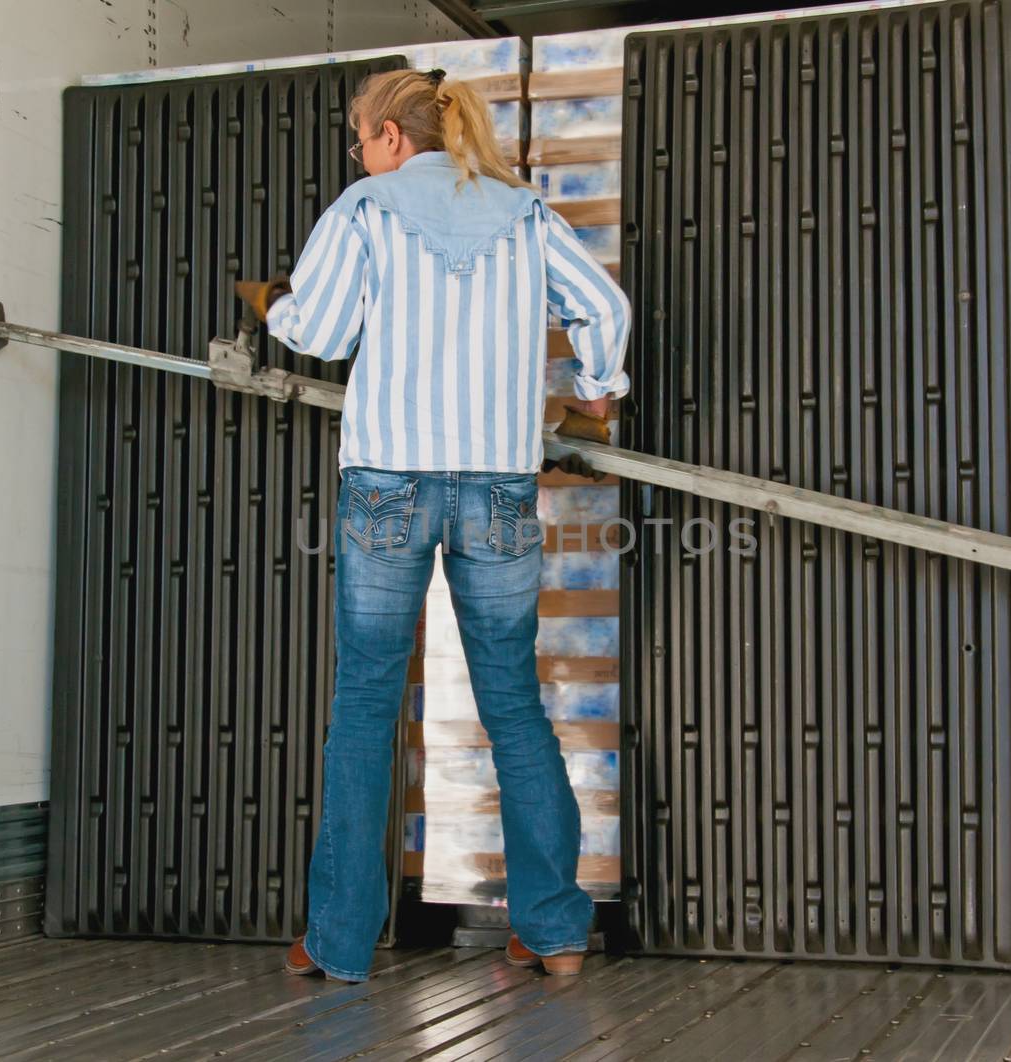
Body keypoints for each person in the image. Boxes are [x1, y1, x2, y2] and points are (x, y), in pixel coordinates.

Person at [241, 67, 630, 983]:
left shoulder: (367, 208)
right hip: (497, 486)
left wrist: (275, 305)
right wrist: (596, 396)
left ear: (388, 136)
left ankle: (338, 943)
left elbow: (327, 332)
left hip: (387, 484)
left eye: (357, 137)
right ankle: (553, 929)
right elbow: (603, 310)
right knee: (515, 706)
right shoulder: (528, 214)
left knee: (368, 704)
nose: (357, 152)